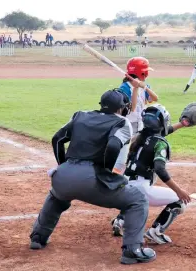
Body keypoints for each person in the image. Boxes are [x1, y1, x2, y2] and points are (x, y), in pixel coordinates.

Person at [29, 87, 158, 265]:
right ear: (122, 107)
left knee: (56, 197)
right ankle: (132, 250)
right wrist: (106, 171)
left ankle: (38, 236)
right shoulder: (121, 122)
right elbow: (113, 146)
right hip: (92, 178)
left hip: (63, 176)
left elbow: (57, 139)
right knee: (138, 199)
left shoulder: (79, 115)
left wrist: (63, 165)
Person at [111, 104, 192, 244]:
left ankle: (120, 220)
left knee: (134, 187)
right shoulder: (160, 143)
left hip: (121, 188)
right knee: (179, 201)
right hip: (140, 190)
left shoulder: (138, 138)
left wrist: (182, 124)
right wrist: (179, 191)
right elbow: (160, 169)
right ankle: (156, 232)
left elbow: (159, 133)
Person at [119, 57, 159, 135]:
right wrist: (135, 88)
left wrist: (145, 87)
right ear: (141, 73)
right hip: (129, 122)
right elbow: (132, 108)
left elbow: (155, 98)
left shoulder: (144, 85)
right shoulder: (124, 87)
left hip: (141, 122)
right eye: (146, 71)